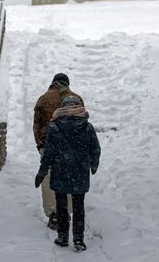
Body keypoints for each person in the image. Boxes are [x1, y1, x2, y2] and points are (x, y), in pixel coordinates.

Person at [35, 95, 101, 252]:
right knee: (78, 207)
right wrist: (93, 165)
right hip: (80, 172)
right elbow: (95, 149)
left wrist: (42, 171)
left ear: (63, 108)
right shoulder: (87, 126)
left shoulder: (55, 126)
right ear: (78, 107)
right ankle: (79, 239)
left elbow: (49, 153)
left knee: (62, 207)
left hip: (60, 171)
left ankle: (63, 237)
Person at [33, 73, 84, 230]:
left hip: (48, 143)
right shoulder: (76, 98)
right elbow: (82, 121)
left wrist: (40, 144)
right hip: (71, 145)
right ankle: (66, 212)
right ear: (67, 83)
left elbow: (37, 124)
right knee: (68, 176)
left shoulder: (43, 98)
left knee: (48, 177)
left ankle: (53, 213)